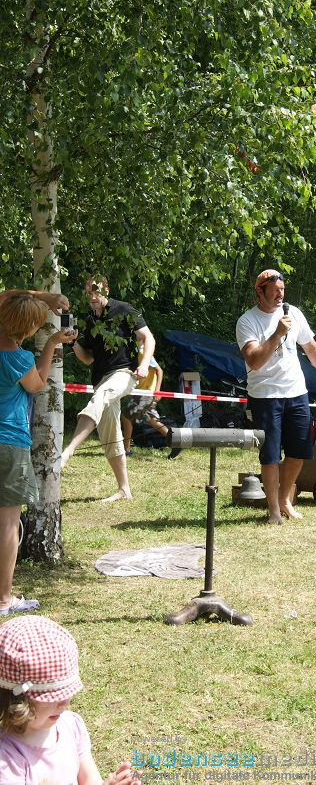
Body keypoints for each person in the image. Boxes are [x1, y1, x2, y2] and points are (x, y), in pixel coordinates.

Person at [236, 269, 316, 525]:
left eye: (282, 290)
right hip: (265, 396)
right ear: (259, 293)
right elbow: (254, 361)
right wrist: (276, 334)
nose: (280, 296)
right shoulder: (247, 321)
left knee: (299, 450)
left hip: (297, 393)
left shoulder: (293, 312)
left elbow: (311, 347)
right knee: (270, 454)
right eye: (274, 292)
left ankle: (285, 499)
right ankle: (273, 509)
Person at [0, 291, 73, 615]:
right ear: (28, 330)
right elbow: (38, 383)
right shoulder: (18, 359)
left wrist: (40, 297)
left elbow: (5, 295)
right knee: (8, 523)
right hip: (10, 443)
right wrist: (52, 343)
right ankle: (4, 599)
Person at [0, 614, 135, 784]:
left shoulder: (71, 726)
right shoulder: (6, 759)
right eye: (53, 695)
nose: (65, 702)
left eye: (65, 693)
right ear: (16, 699)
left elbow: (89, 780)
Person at [61, 276, 156, 502]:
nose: (93, 297)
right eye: (89, 293)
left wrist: (144, 365)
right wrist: (73, 343)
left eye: (97, 292)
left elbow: (148, 338)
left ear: (107, 289)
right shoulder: (89, 320)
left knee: (100, 397)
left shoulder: (124, 310)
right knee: (110, 436)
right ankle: (124, 490)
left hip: (125, 374)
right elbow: (87, 359)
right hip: (101, 379)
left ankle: (68, 451)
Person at [121, 355, 181, 459]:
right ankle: (176, 443)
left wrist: (157, 390)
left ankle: (126, 450)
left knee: (126, 417)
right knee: (152, 421)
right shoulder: (137, 351)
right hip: (143, 392)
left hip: (145, 393)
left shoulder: (143, 351)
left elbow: (159, 370)